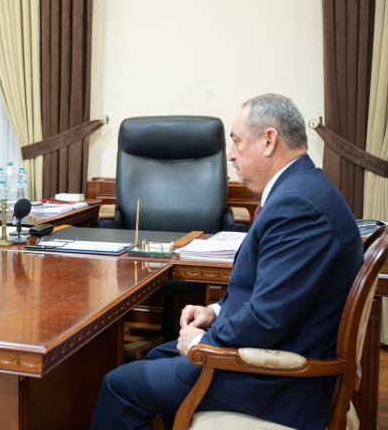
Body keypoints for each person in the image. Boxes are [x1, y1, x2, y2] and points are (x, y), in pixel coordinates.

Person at [90, 94, 363, 429]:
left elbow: (267, 319)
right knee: (161, 354)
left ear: (268, 141)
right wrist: (215, 312)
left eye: (236, 141)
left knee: (118, 385)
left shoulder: (298, 207)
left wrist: (204, 344)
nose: (230, 154)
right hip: (277, 357)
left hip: (280, 383)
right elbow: (271, 294)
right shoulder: (301, 190)